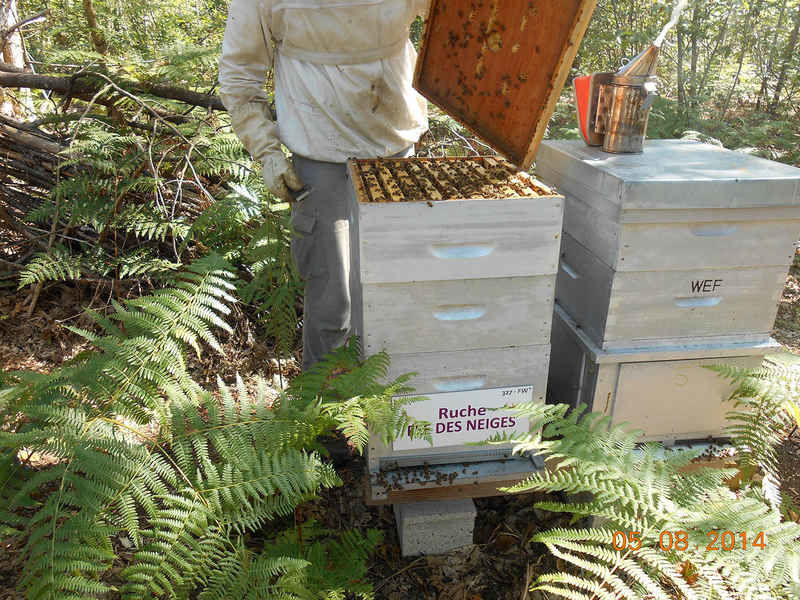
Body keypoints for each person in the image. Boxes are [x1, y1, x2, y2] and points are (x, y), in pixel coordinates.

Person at [219, 0, 429, 370]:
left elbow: (468, 22)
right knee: (334, 299)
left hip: (396, 150)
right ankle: (327, 412)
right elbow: (240, 74)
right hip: (319, 158)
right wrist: (268, 152)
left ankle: (391, 413)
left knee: (399, 291)